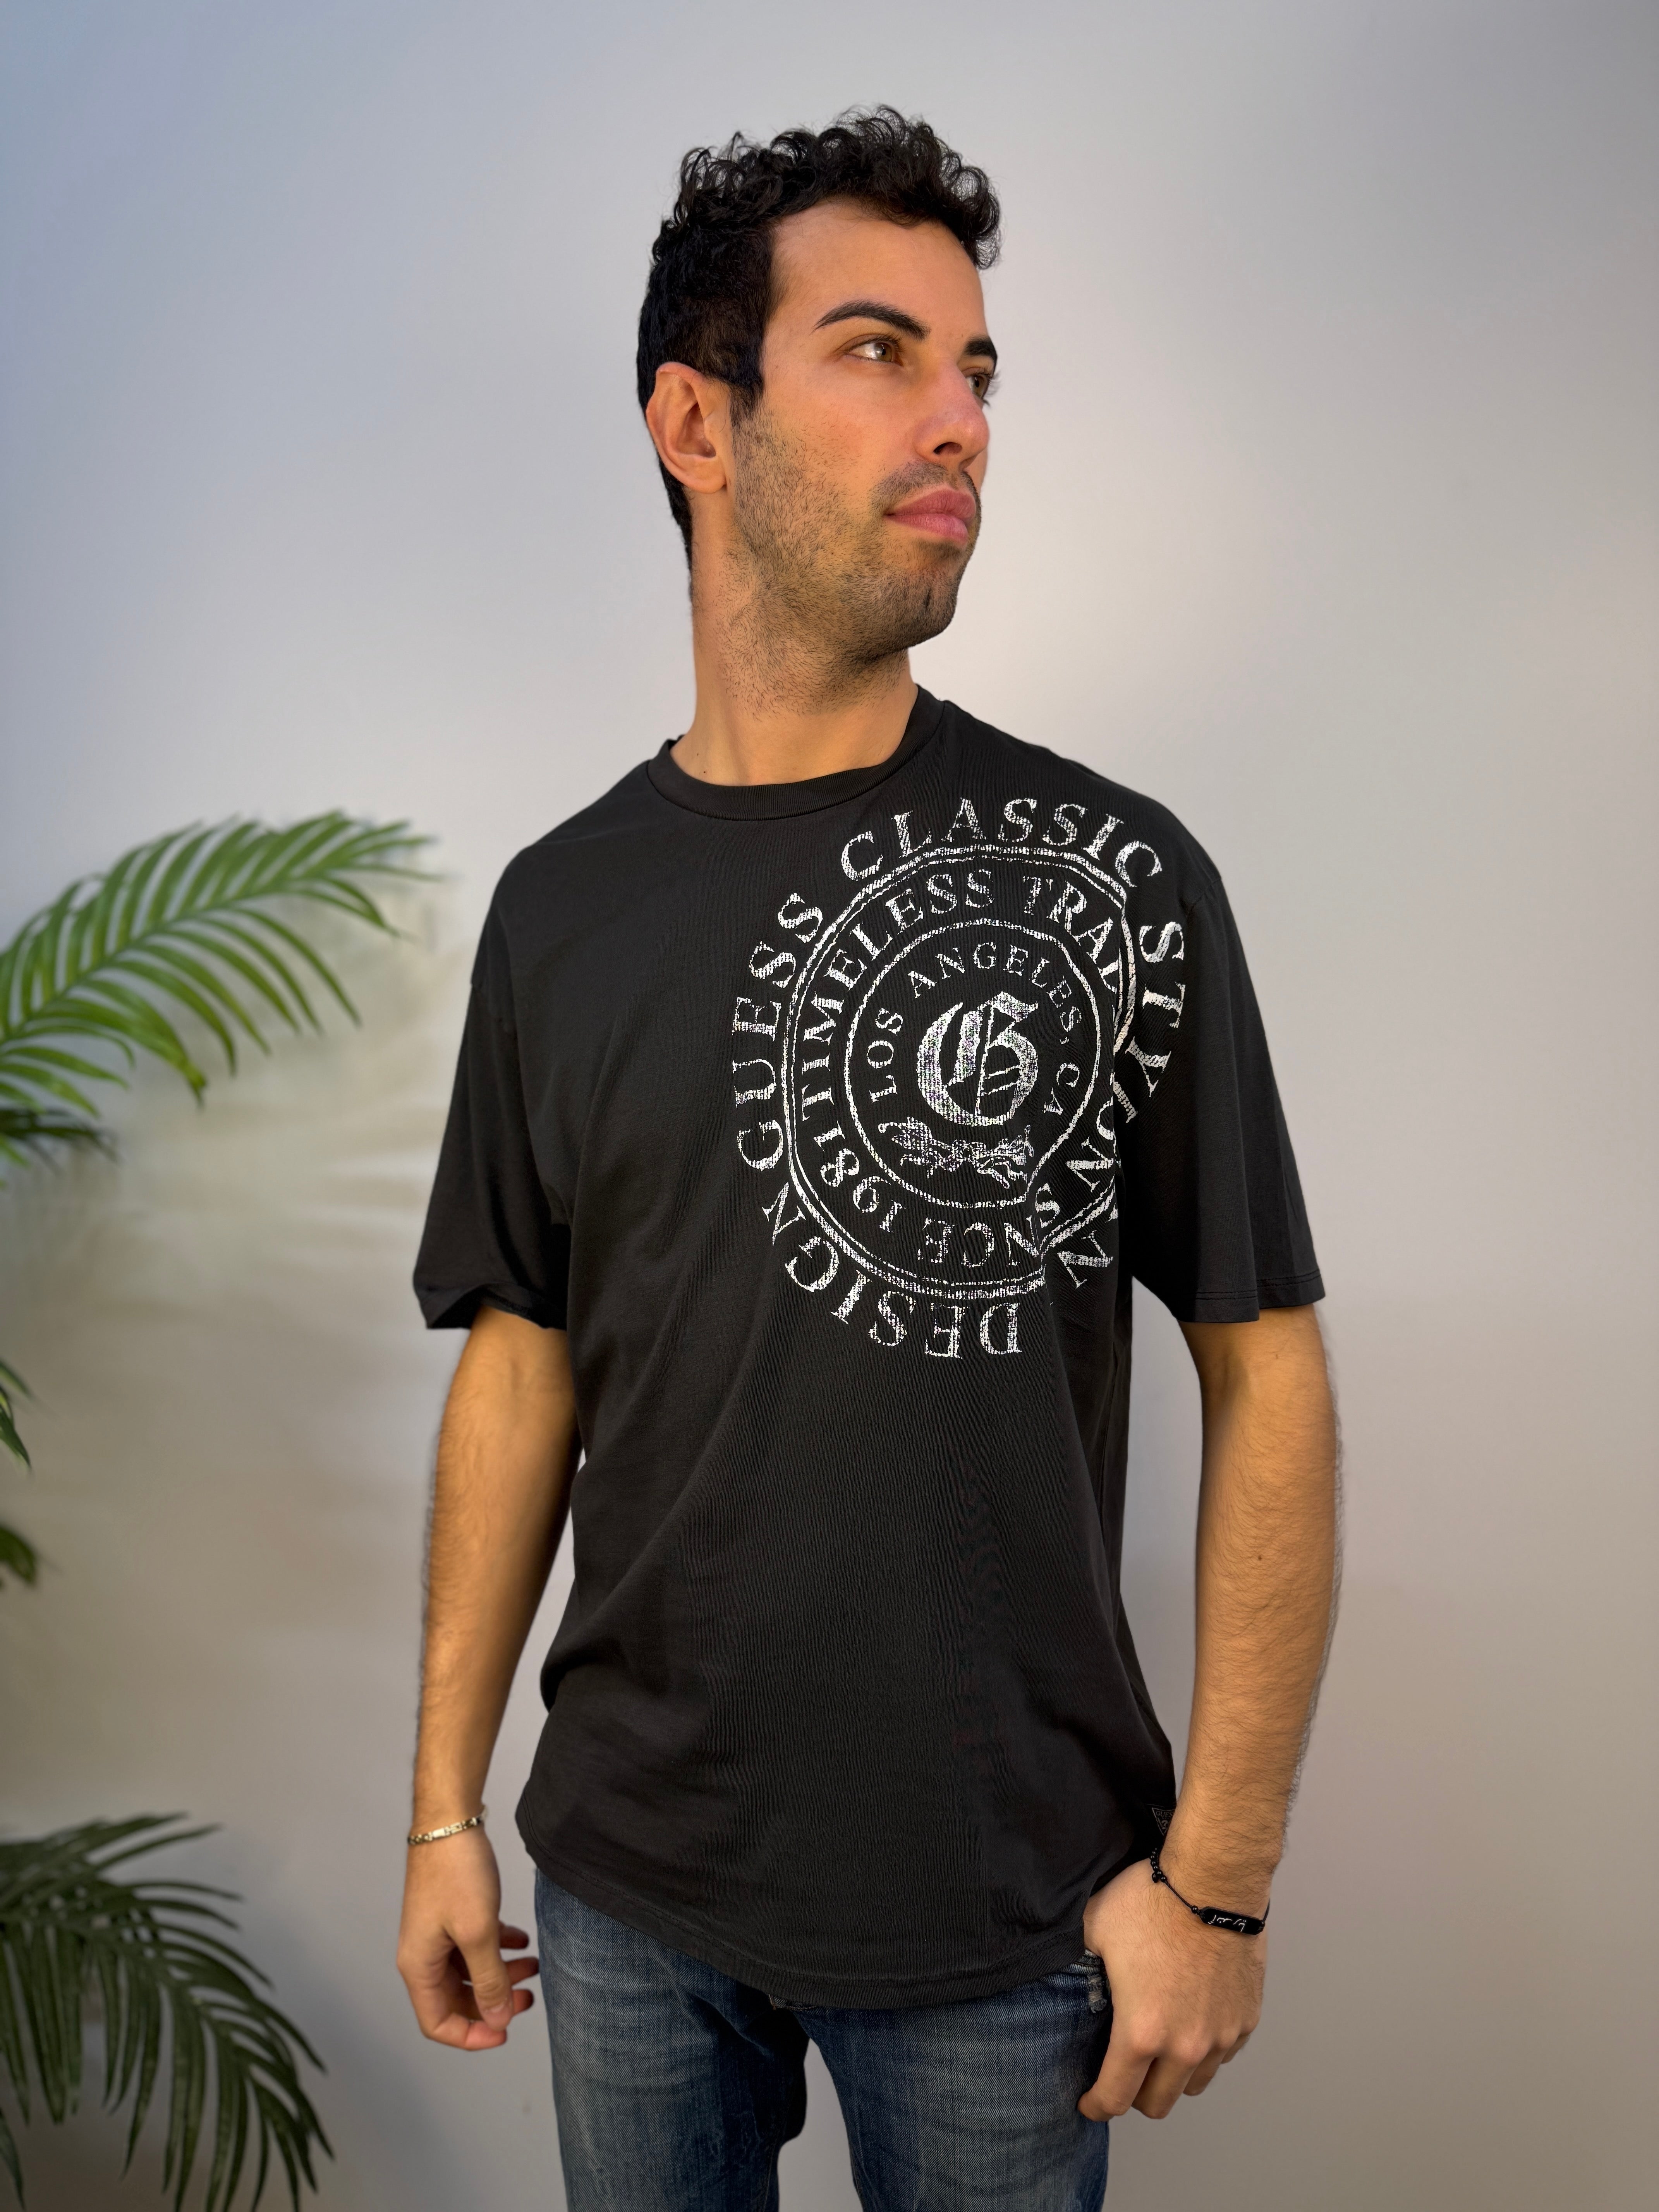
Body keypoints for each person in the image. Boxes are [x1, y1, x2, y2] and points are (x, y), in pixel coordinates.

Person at [397, 107, 1338, 2212]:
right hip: (627, 1897)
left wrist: (1223, 1883)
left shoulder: (1111, 876)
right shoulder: (559, 909)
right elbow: (522, 1357)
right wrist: (445, 1809)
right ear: (696, 424)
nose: (961, 421)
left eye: (977, 368)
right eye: (879, 352)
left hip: (1010, 1927)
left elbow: (1265, 1363)